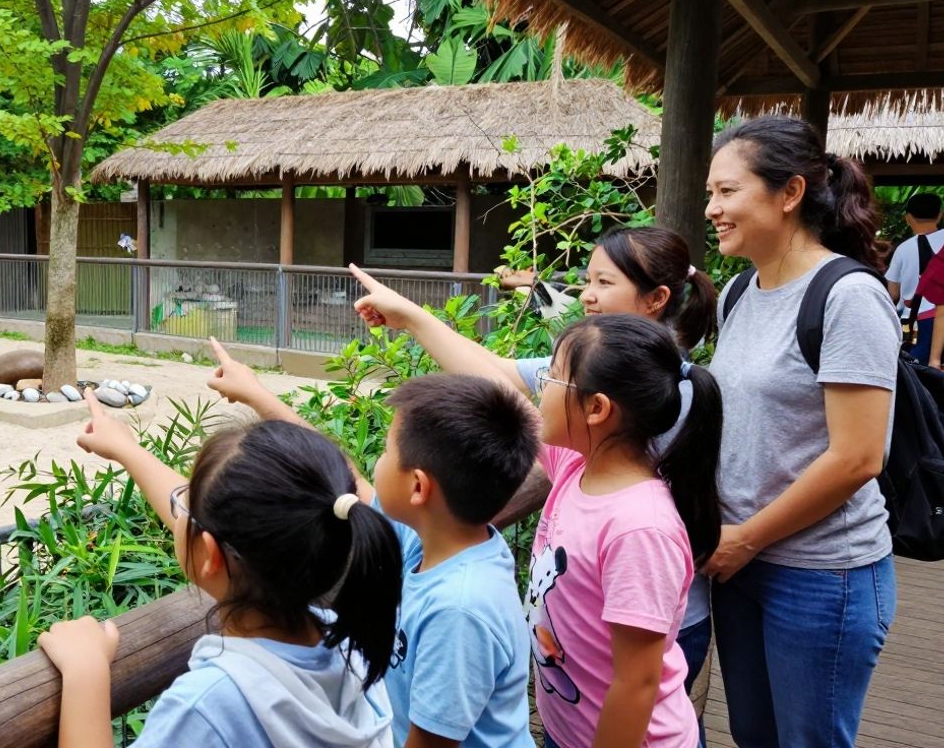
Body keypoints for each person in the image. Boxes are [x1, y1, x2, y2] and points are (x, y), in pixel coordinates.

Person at [354, 223, 722, 742]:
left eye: (550, 380)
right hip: (569, 727)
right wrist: (413, 318)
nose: (536, 388)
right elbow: (495, 379)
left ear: (596, 409)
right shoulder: (577, 464)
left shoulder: (640, 527)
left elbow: (637, 685)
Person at [206, 337, 538, 748]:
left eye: (384, 450)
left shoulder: (459, 609)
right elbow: (345, 479)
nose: (374, 463)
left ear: (418, 487)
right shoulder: (434, 538)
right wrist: (256, 394)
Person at [38, 392, 403, 748]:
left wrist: (86, 675)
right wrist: (128, 450)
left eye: (186, 506)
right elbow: (229, 526)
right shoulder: (345, 646)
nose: (179, 511)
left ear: (211, 552)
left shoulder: (210, 706)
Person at [704, 113, 899, 747]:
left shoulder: (847, 297)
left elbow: (858, 458)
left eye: (728, 191)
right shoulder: (738, 292)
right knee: (754, 735)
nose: (713, 208)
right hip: (741, 562)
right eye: (711, 193)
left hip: (822, 576)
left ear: (789, 193)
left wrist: (746, 539)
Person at [885, 192, 944, 361]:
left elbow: (893, 294)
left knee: (917, 376)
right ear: (939, 215)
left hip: (914, 325)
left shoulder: (903, 250)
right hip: (938, 317)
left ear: (908, 218)